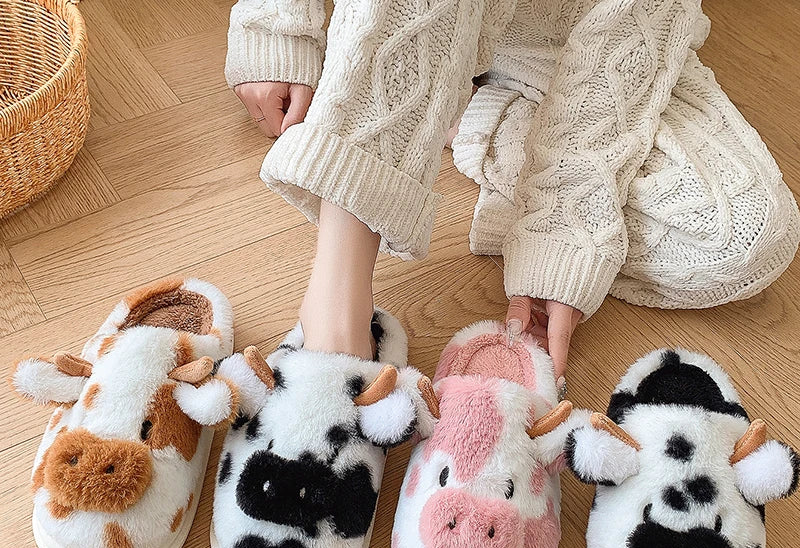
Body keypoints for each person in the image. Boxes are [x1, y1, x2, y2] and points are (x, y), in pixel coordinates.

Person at [224, 0, 799, 382]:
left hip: (572, 34)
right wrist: (274, 26)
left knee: (746, 232)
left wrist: (562, 221)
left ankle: (457, 114)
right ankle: (334, 314)